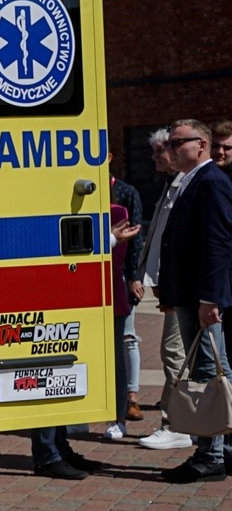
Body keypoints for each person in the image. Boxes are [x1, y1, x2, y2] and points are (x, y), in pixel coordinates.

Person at [153, 116, 232, 482]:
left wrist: (210, 298)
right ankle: (223, 449)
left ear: (200, 145)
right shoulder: (188, 181)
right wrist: (169, 290)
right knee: (213, 369)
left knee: (207, 372)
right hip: (187, 295)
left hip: (201, 297)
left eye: (177, 142)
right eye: (168, 143)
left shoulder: (211, 182)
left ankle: (210, 454)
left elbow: (218, 244)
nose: (170, 148)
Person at [138, 129, 197, 453]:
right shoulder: (171, 184)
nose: (154, 158)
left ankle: (176, 424)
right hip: (171, 284)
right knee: (178, 352)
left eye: (158, 151)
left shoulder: (188, 184)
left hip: (181, 286)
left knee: (176, 353)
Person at [112, 172, 146, 424]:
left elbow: (136, 238)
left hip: (121, 274)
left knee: (127, 337)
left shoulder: (126, 192)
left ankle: (131, 397)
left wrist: (134, 276)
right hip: (96, 276)